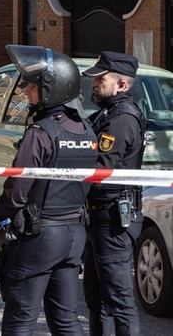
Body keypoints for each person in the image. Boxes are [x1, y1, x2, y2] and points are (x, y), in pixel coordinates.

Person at [0, 45, 98, 335]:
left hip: (40, 236)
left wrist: (4, 214)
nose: (25, 90)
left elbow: (18, 186)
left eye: (31, 84)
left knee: (20, 318)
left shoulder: (40, 133)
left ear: (51, 88)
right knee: (65, 319)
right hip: (73, 234)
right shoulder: (87, 131)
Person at [82, 51, 145, 336]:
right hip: (100, 217)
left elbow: (101, 171)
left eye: (101, 79)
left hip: (113, 220)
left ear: (122, 85)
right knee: (97, 299)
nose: (94, 84)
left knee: (119, 301)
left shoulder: (121, 120)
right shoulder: (106, 115)